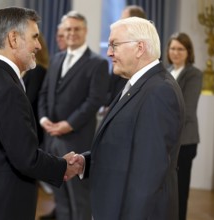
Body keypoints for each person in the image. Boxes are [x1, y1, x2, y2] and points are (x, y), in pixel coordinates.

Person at [0, 7, 80, 220]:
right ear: (13, 38)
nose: (39, 45)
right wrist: (63, 166)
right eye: (34, 36)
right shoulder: (7, 88)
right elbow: (26, 158)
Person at [69, 17, 185, 220]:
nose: (109, 52)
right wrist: (86, 162)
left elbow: (148, 174)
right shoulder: (139, 84)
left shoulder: (159, 91)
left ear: (139, 48)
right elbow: (125, 147)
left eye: (114, 44)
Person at [38, 11, 110, 220]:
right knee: (59, 196)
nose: (72, 33)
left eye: (76, 29)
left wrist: (68, 124)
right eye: (68, 29)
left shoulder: (97, 63)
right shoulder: (57, 59)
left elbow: (94, 101)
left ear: (85, 31)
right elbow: (43, 93)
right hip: (51, 139)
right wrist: (44, 121)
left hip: (77, 140)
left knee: (79, 198)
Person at [166, 32, 203, 220]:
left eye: (181, 49)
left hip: (185, 141)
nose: (176, 52)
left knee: (180, 190)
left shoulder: (194, 74)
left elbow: (187, 110)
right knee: (167, 191)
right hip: (166, 141)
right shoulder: (166, 71)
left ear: (188, 52)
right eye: (172, 48)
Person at [106, 5, 146, 105]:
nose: (109, 54)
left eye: (123, 20)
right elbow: (112, 84)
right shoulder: (118, 49)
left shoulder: (146, 53)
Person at [22, 33, 49, 145]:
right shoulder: (27, 69)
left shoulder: (37, 70)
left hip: (31, 128)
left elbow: (29, 99)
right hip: (25, 124)